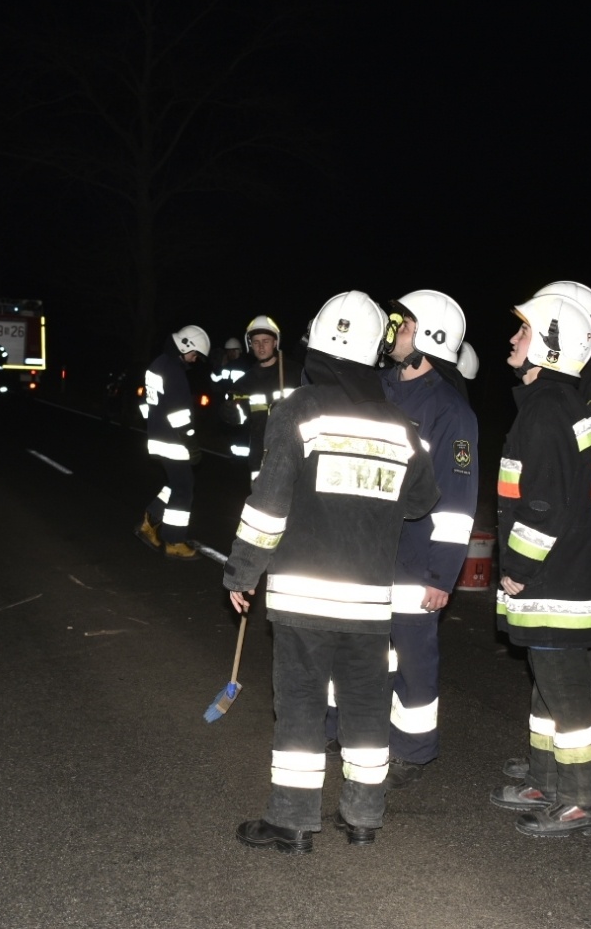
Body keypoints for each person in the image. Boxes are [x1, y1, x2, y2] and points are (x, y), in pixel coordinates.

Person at [223, 291, 439, 854]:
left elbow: (269, 503)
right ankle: (364, 815)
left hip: (304, 598)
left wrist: (242, 572)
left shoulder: (297, 409)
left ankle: (292, 823)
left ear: (318, 342)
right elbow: (422, 500)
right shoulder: (400, 423)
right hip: (368, 600)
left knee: (300, 704)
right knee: (367, 705)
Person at [488, 292, 591, 838]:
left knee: (566, 698)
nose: (512, 340)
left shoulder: (543, 413)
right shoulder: (569, 405)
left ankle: (585, 799)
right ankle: (547, 780)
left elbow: (543, 506)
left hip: (552, 582)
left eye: (522, 333)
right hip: (573, 575)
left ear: (548, 345)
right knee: (547, 688)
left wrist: (516, 565)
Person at [503, 281, 591, 793]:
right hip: (570, 547)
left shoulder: (586, 387)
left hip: (582, 552)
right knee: (555, 670)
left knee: (582, 669)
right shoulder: (558, 395)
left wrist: (578, 483)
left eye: (527, 326)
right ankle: (557, 771)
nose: (515, 337)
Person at [372, 290, 478, 791]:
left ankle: (413, 751)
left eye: (404, 323)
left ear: (430, 337)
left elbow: (457, 502)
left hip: (416, 561)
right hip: (368, 550)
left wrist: (442, 574)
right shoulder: (376, 388)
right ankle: (347, 730)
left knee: (413, 660)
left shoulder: (451, 412)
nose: (394, 330)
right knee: (363, 651)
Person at [135, 324, 210, 561]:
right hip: (173, 440)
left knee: (176, 483)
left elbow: (147, 405)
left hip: (157, 436)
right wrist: (190, 441)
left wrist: (154, 426)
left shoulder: (157, 364)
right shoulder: (174, 371)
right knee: (184, 488)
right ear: (185, 344)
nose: (194, 359)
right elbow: (179, 413)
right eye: (194, 353)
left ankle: (150, 521)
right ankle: (174, 541)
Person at [225, 315, 303, 478]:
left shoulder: (296, 373)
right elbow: (240, 418)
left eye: (266, 341)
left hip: (292, 456)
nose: (261, 347)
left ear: (275, 342)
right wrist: (230, 413)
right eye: (256, 342)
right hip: (259, 458)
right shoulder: (244, 383)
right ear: (250, 345)